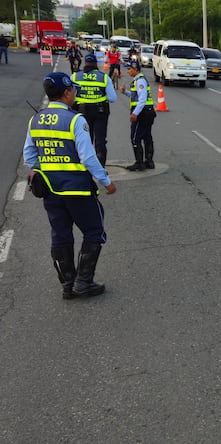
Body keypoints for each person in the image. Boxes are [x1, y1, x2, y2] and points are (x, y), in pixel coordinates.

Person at [23, 72, 117, 299]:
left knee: (60, 235)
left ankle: (68, 285)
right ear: (66, 93)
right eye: (73, 90)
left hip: (51, 191)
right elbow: (87, 157)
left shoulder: (35, 120)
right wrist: (106, 181)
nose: (75, 93)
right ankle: (83, 283)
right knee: (95, 231)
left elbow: (29, 156)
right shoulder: (76, 120)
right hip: (77, 189)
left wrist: (44, 167)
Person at [71, 53, 117, 167]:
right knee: (100, 140)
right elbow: (112, 98)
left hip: (81, 113)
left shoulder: (75, 77)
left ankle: (84, 165)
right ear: (96, 64)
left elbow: (70, 97)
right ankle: (100, 167)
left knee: (84, 140)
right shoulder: (104, 78)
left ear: (85, 63)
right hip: (100, 111)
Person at [120, 60, 156, 171]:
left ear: (136, 69)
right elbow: (136, 96)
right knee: (146, 136)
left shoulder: (140, 81)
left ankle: (139, 163)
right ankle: (149, 161)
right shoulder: (139, 80)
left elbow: (142, 99)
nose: (128, 71)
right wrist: (125, 92)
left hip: (143, 113)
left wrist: (135, 113)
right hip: (148, 111)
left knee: (135, 138)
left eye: (129, 69)